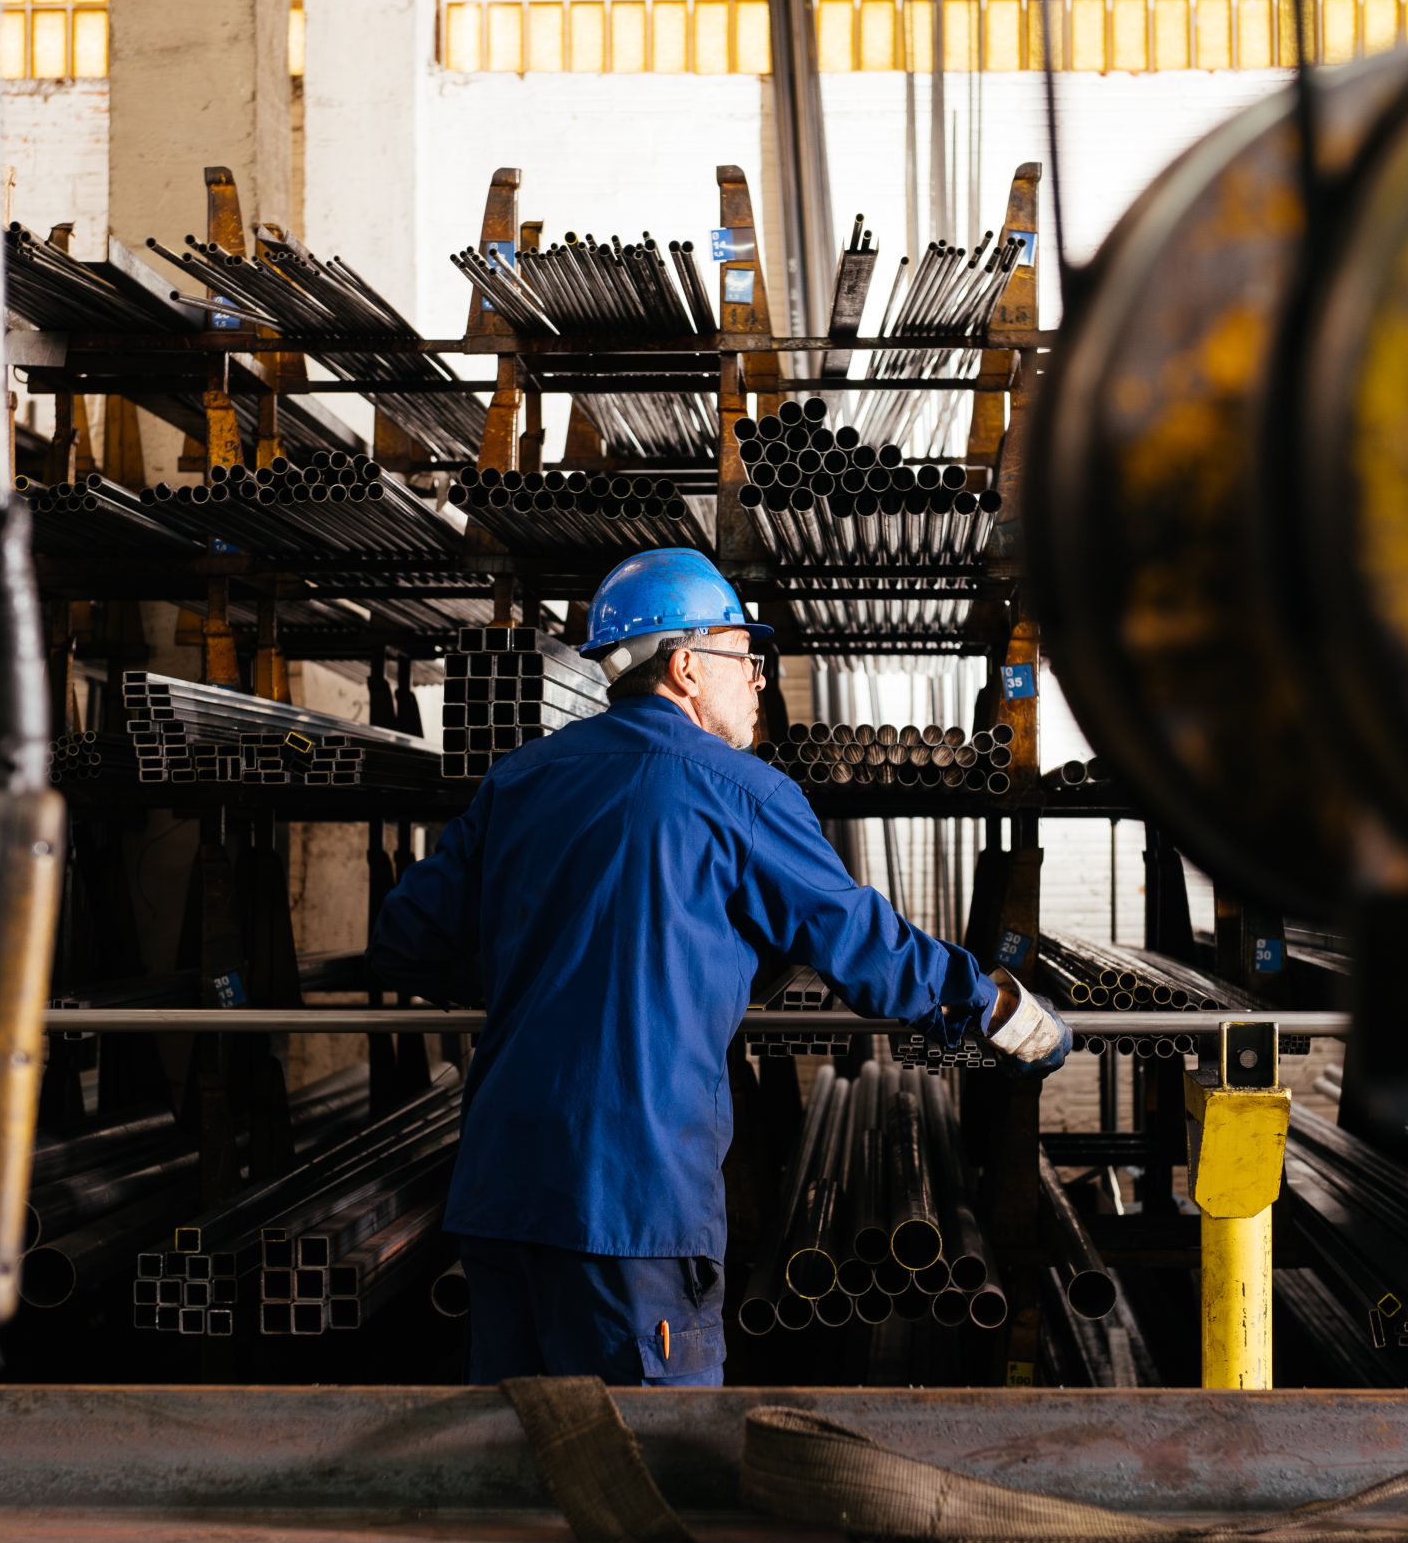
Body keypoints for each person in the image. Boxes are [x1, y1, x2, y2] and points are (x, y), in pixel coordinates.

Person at [368, 548, 1068, 1385]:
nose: (759, 681)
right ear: (688, 666)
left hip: (501, 1191)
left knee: (520, 1471)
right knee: (651, 1475)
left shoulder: (519, 778)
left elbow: (406, 937)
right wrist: (993, 1006)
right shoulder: (737, 790)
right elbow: (859, 942)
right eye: (746, 658)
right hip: (633, 1201)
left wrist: (545, 973)